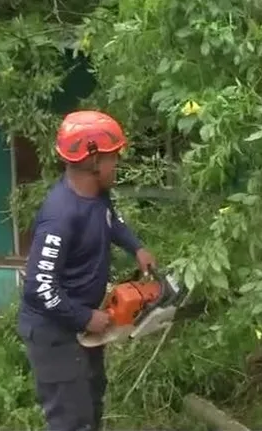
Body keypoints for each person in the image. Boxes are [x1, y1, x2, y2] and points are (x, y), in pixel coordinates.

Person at [17, 110, 156, 431]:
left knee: (92, 408)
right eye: (113, 158)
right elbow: (38, 287)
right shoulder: (61, 217)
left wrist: (136, 248)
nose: (116, 164)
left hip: (82, 328)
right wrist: (84, 317)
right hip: (56, 335)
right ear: (93, 162)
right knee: (71, 421)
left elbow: (112, 221)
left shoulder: (97, 195)